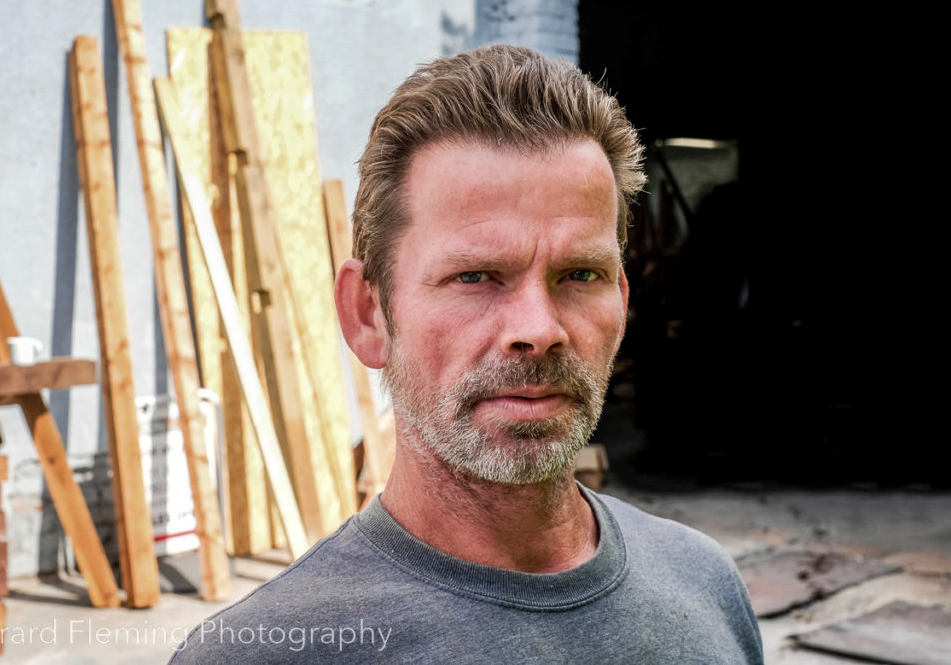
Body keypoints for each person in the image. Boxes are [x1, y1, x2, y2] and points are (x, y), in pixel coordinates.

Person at [170, 45, 763, 663]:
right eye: (475, 276)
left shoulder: (705, 585)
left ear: (622, 298)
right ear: (368, 315)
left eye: (580, 273)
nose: (539, 330)